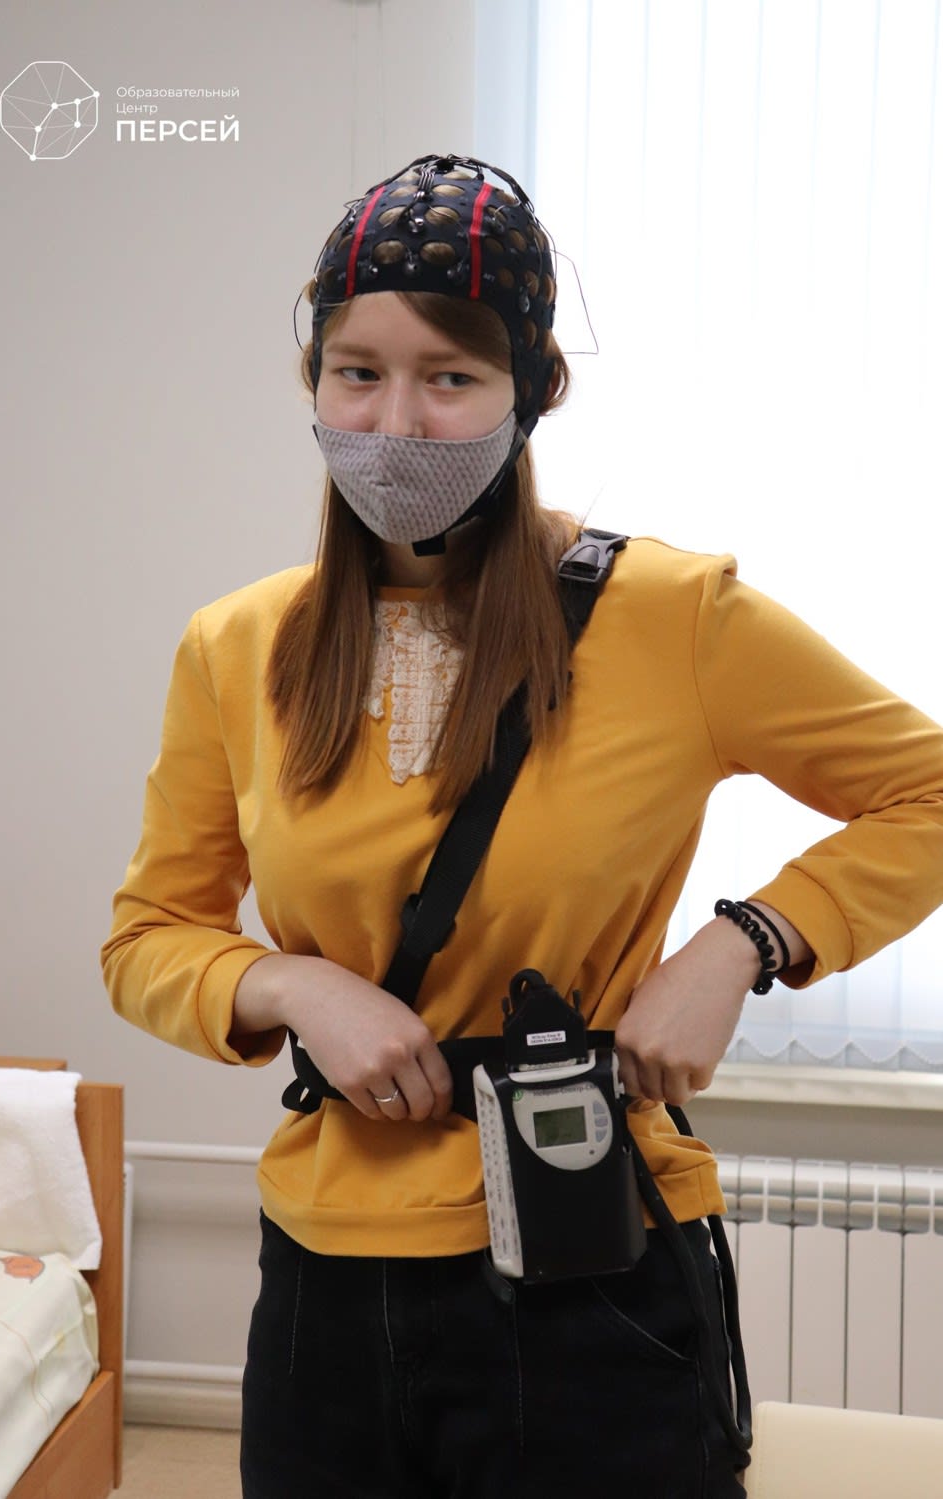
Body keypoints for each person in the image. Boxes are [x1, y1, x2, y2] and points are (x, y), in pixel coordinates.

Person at [101, 153, 943, 1499]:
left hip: (592, 1261)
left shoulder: (675, 617)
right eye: (357, 373)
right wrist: (292, 985)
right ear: (311, 380)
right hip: (324, 1284)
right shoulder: (238, 645)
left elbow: (926, 790)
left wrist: (746, 942)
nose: (396, 423)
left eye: (450, 377)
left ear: (534, 388)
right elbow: (149, 936)